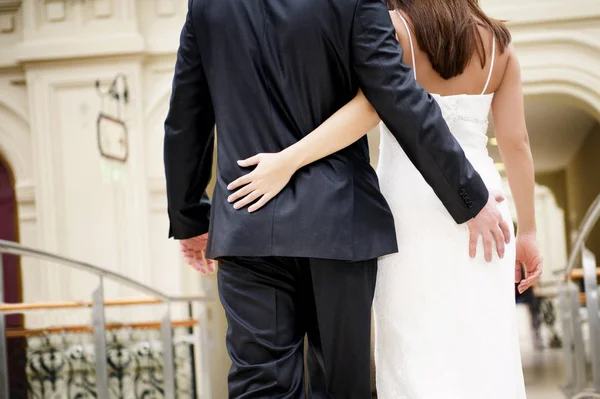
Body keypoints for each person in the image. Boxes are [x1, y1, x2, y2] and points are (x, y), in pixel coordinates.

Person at [164, 0, 514, 397]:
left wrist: (190, 218)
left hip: (249, 222)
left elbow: (184, 118)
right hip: (339, 224)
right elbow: (397, 94)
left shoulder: (207, 6)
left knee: (259, 385)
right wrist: (469, 195)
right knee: (342, 386)